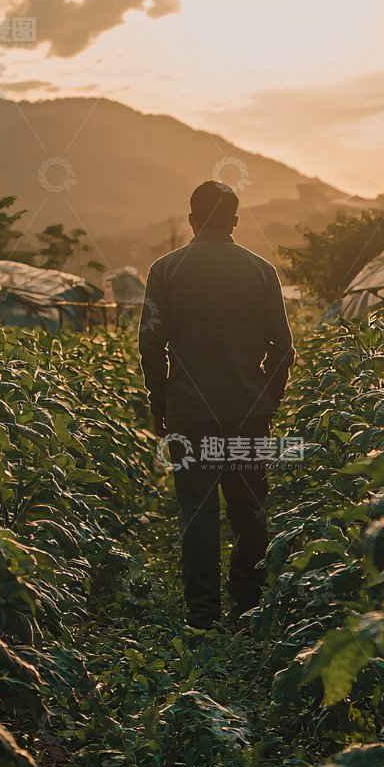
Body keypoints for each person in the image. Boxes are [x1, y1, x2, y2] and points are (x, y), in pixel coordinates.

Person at [138, 179, 295, 631]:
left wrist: (160, 400)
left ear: (191, 220)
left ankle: (202, 615)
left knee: (199, 512)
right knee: (250, 511)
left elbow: (152, 344)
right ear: (235, 221)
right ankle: (247, 608)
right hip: (249, 413)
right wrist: (269, 397)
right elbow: (282, 349)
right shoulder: (261, 270)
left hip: (190, 415)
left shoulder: (165, 270)